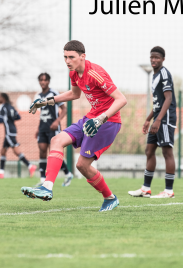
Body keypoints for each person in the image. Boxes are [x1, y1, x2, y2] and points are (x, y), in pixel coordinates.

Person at [21, 40, 127, 212]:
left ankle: (110, 198)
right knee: (57, 140)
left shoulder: (95, 73)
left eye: (71, 57)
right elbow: (75, 94)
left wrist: (100, 119)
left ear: (82, 56)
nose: (68, 61)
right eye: (65, 57)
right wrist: (47, 102)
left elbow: (121, 99)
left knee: (82, 166)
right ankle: (47, 187)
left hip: (108, 122)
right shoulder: (74, 74)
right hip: (90, 118)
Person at [128, 46, 176, 198]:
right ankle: (145, 189)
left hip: (165, 118)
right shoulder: (154, 76)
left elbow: (168, 99)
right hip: (158, 118)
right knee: (149, 151)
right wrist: (148, 119)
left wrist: (159, 120)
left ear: (163, 59)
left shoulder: (164, 74)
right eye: (152, 57)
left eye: (157, 57)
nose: (154, 60)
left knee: (167, 152)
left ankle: (169, 191)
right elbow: (158, 102)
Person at [34, 73, 74, 187]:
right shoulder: (38, 96)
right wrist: (38, 128)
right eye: (41, 80)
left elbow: (64, 109)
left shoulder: (54, 93)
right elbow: (42, 113)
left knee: (54, 153)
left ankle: (67, 174)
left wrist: (57, 121)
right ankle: (42, 180)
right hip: (42, 128)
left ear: (48, 81)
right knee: (42, 151)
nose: (43, 82)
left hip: (53, 128)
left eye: (45, 80)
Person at [0, 93, 37, 179]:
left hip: (9, 132)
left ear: (3, 98)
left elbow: (0, 120)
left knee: (16, 151)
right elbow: (18, 117)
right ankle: (1, 172)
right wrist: (10, 118)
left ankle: (30, 166)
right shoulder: (11, 107)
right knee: (3, 151)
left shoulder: (3, 107)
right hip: (12, 130)